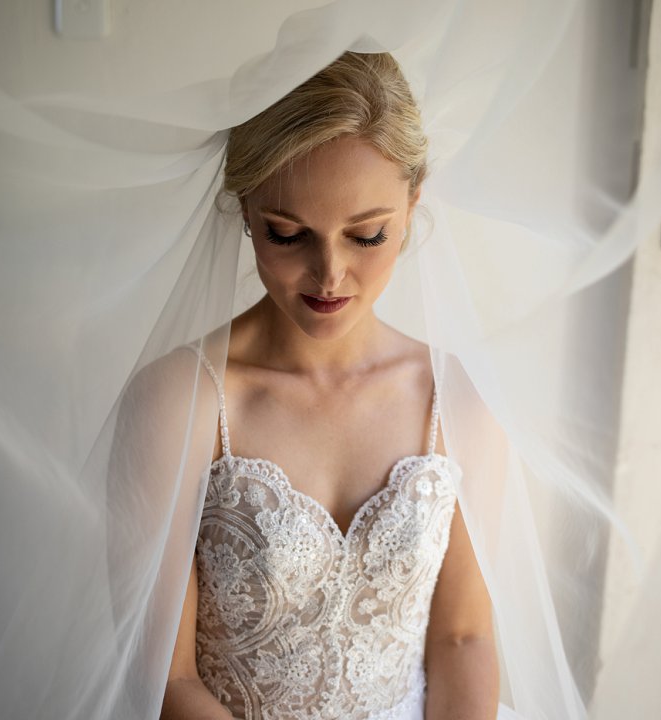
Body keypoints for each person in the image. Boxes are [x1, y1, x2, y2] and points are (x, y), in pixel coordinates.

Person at [157, 51, 501, 720]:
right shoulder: (182, 402)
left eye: (367, 235)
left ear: (411, 206)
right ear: (248, 210)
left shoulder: (454, 399)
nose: (330, 274)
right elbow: (170, 679)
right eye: (289, 235)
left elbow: (464, 636)